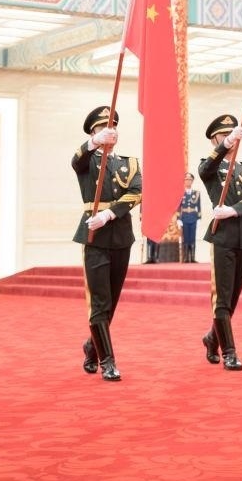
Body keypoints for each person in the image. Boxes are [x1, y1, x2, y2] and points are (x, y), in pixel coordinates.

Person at [72, 106, 142, 382]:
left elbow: (136, 192)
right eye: (103, 127)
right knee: (100, 301)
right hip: (94, 236)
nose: (109, 131)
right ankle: (107, 361)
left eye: (112, 127)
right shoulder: (87, 161)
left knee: (111, 300)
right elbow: (76, 160)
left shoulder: (129, 163)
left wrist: (109, 214)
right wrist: (93, 143)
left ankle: (92, 347)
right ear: (94, 132)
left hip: (120, 234)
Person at [197, 114, 242, 371]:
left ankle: (212, 338)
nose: (230, 139)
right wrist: (225, 145)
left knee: (233, 297)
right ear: (215, 139)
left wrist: (234, 210)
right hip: (222, 236)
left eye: (232, 135)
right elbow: (205, 169)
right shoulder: (210, 166)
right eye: (224, 135)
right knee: (222, 297)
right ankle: (229, 352)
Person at [177, 173, 202, 263]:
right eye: (186, 180)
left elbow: (199, 207)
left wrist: (199, 218)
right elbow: (178, 207)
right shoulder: (180, 193)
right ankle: (186, 258)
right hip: (184, 218)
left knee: (192, 238)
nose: (188, 181)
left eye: (190, 180)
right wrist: (178, 219)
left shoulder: (196, 193)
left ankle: (192, 258)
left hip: (193, 217)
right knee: (186, 238)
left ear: (192, 181)